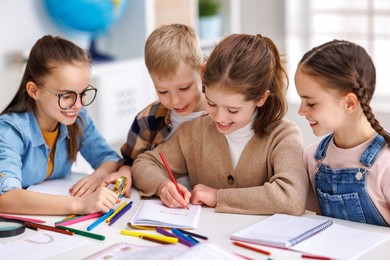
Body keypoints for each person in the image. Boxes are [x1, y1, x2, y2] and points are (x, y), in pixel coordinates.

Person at [132, 34, 309, 215]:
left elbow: (292, 198)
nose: (219, 117)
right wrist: (163, 186)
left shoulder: (283, 136)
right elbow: (144, 164)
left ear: (261, 98)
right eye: (211, 103)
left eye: (232, 110)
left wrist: (218, 197)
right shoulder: (194, 131)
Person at [0, 35, 127, 215]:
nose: (78, 105)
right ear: (34, 91)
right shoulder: (9, 131)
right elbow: (5, 197)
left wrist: (97, 176)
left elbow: (110, 159)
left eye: (83, 93)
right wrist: (79, 205)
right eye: (66, 96)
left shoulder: (78, 118)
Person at [294, 39, 390, 226]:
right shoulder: (313, 158)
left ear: (349, 103)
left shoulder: (385, 165)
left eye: (311, 103)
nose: (301, 111)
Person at [104, 23, 205, 188]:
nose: (175, 101)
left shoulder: (222, 114)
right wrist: (125, 172)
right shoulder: (147, 120)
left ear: (202, 72)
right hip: (163, 204)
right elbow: (128, 162)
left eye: (184, 88)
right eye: (163, 91)